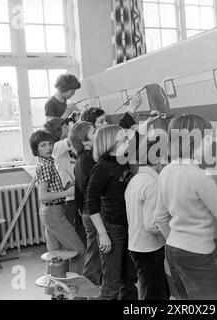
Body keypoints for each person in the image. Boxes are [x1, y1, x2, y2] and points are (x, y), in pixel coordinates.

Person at [153, 114, 217, 300]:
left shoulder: (165, 171)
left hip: (173, 251)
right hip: (198, 258)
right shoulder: (201, 177)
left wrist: (177, 242)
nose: (211, 143)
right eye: (208, 138)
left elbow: (160, 217)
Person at [70, 95, 144, 287]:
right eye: (97, 127)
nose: (102, 128)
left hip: (97, 214)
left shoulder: (94, 157)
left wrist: (132, 113)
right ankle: (86, 293)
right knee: (95, 261)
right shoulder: (91, 161)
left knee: (102, 261)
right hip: (94, 215)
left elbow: (117, 137)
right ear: (86, 142)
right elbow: (91, 199)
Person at [85, 124, 138, 300]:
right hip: (112, 229)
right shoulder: (102, 167)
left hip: (127, 225)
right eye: (123, 138)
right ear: (111, 142)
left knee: (128, 278)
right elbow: (91, 203)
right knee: (111, 283)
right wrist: (103, 234)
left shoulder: (122, 161)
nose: (126, 141)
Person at [29, 129, 85, 274]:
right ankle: (76, 290)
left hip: (49, 211)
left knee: (56, 254)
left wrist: (65, 187)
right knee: (79, 250)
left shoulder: (46, 162)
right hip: (53, 212)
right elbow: (43, 195)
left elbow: (50, 191)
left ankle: (56, 291)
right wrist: (66, 193)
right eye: (43, 145)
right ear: (36, 149)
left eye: (50, 144)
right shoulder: (46, 166)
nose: (48, 148)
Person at [125, 139, 170, 300]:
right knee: (153, 294)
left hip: (137, 245)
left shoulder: (136, 180)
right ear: (158, 160)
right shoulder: (153, 184)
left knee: (156, 290)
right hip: (149, 248)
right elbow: (152, 225)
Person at [44, 118, 86, 246]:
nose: (68, 128)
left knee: (76, 227)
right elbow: (71, 138)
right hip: (67, 195)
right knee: (68, 228)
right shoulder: (56, 146)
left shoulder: (61, 147)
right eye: (65, 127)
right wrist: (81, 124)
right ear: (59, 130)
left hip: (72, 193)